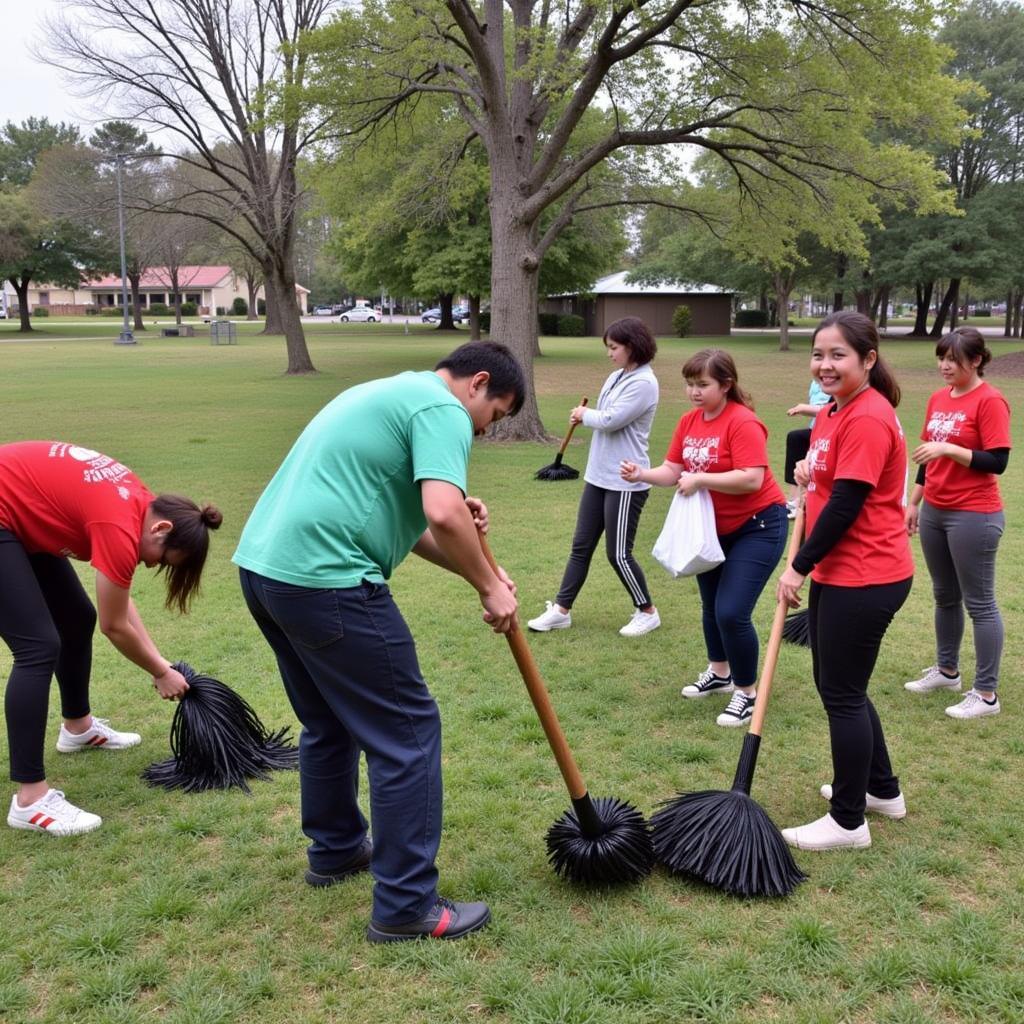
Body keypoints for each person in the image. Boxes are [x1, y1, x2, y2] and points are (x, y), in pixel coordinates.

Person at [233, 341, 524, 944]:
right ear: (477, 383)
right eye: (494, 415)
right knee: (408, 738)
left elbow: (410, 525)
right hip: (328, 581)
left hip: (267, 573)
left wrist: (485, 577)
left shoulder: (388, 392)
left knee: (328, 722)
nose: (485, 429)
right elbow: (443, 513)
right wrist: (489, 588)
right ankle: (406, 907)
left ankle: (336, 849)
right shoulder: (441, 410)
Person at [0, 441, 221, 835]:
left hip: (21, 513)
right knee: (37, 647)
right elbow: (115, 626)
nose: (152, 564)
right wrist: (158, 671)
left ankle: (77, 727)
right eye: (161, 558)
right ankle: (30, 799)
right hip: (6, 512)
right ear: (162, 528)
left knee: (76, 617)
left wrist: (160, 663)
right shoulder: (120, 525)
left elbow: (117, 601)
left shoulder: (138, 504)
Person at [776, 311, 913, 851]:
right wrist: (811, 472)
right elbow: (833, 478)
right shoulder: (835, 411)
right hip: (845, 571)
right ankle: (882, 791)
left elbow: (848, 507)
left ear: (868, 360)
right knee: (843, 688)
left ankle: (849, 821)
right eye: (819, 354)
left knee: (841, 693)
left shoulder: (869, 416)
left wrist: (797, 566)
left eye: (838, 355)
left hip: (867, 572)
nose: (825, 365)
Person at [622, 348, 788, 727]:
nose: (694, 391)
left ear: (726, 384)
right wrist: (641, 475)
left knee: (731, 611)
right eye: (690, 384)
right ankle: (720, 673)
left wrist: (702, 479)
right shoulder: (689, 422)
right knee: (711, 607)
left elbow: (752, 477)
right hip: (712, 529)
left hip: (759, 526)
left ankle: (746, 693)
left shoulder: (742, 422)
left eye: (703, 384)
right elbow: (673, 470)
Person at [528, 317, 661, 637]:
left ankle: (647, 611)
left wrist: (583, 415)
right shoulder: (617, 376)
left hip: (626, 480)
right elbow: (607, 416)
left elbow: (613, 419)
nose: (609, 354)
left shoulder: (644, 382)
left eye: (614, 348)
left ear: (632, 346)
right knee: (581, 545)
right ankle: (561, 610)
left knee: (618, 553)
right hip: (598, 476)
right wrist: (589, 416)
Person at [904, 327, 1011, 719]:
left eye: (953, 359)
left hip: (974, 513)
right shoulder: (937, 398)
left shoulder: (990, 400)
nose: (945, 366)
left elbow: (998, 460)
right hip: (935, 509)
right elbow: (926, 457)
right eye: (941, 358)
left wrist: (951, 447)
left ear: (977, 360)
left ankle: (986, 694)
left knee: (980, 603)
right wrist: (914, 503)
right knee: (944, 595)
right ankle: (947, 671)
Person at [783, 379, 831, 518]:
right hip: (816, 429)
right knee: (795, 438)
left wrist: (804, 408)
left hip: (830, 433)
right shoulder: (815, 382)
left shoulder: (838, 382)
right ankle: (793, 500)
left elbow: (833, 408)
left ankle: (806, 499)